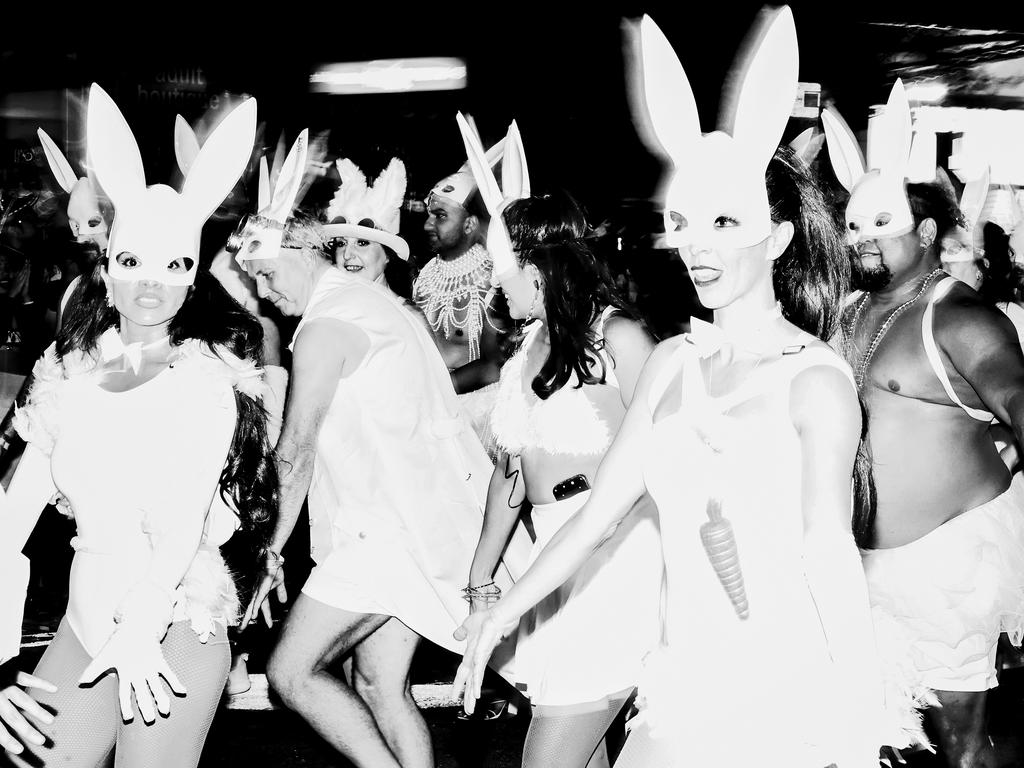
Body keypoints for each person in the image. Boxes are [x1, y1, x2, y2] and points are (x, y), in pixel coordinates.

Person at [454, 9, 888, 767]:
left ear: (778, 237)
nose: (699, 244)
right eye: (684, 221)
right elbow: (596, 517)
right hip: (683, 678)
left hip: (786, 688)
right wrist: (502, 614)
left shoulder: (814, 380)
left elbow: (829, 555)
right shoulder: (674, 363)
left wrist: (858, 721)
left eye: (726, 221)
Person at [0, 84, 275, 768]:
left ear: (190, 280)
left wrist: (145, 621)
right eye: (132, 263)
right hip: (84, 623)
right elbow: (8, 528)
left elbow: (180, 527)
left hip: (178, 620)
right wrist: (3, 661)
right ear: (110, 268)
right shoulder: (67, 378)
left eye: (173, 265)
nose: (151, 283)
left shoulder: (208, 387)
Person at [237, 197, 526, 767]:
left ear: (300, 251)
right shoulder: (373, 303)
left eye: (267, 274)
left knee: (289, 672)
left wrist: (267, 551)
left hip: (382, 536)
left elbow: (294, 452)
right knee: (378, 687)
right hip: (419, 527)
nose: (262, 291)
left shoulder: (327, 325)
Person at [824, 77, 1024, 768]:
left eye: (881, 226)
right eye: (853, 227)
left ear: (929, 231)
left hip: (948, 566)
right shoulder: (852, 309)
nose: (862, 241)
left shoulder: (962, 316)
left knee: (959, 743)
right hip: (860, 565)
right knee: (880, 737)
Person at [470, 187, 663, 768]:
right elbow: (510, 468)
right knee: (585, 746)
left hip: (618, 556)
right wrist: (480, 576)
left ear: (536, 267)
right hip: (549, 553)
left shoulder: (619, 337)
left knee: (549, 757)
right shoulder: (527, 343)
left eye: (501, 270)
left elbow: (671, 453)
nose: (494, 284)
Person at [414, 133, 510, 455]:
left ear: (470, 224)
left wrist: (435, 390)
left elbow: (493, 365)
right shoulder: (424, 277)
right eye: (429, 214)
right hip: (430, 411)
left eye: (440, 216)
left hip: (476, 419)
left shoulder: (492, 280)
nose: (428, 224)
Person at [324, 156, 415, 301]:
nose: (347, 254)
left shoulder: (406, 316)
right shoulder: (330, 307)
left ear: (388, 255)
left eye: (362, 243)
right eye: (341, 243)